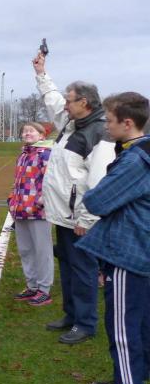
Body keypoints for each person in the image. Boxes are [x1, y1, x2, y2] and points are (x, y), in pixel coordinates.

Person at [72, 92, 150, 384]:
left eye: (110, 120)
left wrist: (94, 194)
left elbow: (97, 201)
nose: (106, 125)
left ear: (127, 123)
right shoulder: (139, 152)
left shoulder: (135, 160)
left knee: (122, 325)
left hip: (129, 252)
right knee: (140, 323)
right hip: (139, 249)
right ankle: (134, 380)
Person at [33, 50, 115, 344]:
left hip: (80, 219)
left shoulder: (99, 133)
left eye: (70, 101)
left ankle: (85, 323)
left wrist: (86, 218)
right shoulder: (72, 123)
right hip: (64, 215)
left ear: (85, 103)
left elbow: (99, 182)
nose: (65, 105)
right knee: (68, 266)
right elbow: (53, 101)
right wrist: (42, 74)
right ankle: (71, 314)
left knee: (83, 270)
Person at [9, 122, 55, 306]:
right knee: (26, 250)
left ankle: (44, 289)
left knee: (42, 250)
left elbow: (50, 180)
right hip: (20, 209)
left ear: (42, 135)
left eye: (31, 131)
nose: (27, 133)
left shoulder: (45, 154)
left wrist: (40, 201)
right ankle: (32, 285)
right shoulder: (23, 154)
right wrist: (13, 200)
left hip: (38, 211)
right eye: (25, 131)